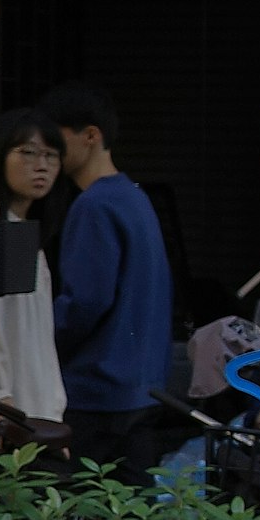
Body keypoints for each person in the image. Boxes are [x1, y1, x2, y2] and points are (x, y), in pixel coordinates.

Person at [43, 85, 170, 472]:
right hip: (143, 387)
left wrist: (42, 348)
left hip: (96, 392)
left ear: (90, 136)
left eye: (55, 138)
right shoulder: (135, 196)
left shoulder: (94, 204)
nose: (48, 151)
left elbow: (85, 302)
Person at [0, 110, 65, 428]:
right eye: (27, 152)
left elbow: (40, 338)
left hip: (36, 412)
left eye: (51, 156)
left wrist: (53, 413)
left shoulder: (33, 239)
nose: (41, 166)